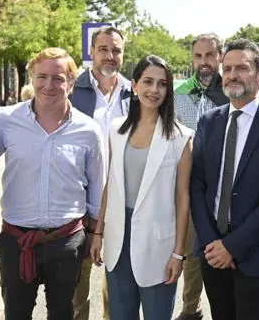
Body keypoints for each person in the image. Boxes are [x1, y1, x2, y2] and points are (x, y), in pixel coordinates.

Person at [0, 47, 105, 320]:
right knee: (16, 314)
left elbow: (97, 187)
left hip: (67, 240)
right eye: (42, 76)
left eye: (58, 78)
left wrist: (96, 234)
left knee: (62, 313)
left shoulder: (88, 130)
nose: (49, 85)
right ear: (31, 78)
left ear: (70, 82)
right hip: (16, 240)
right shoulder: (8, 121)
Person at [191, 39, 259, 320]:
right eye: (227, 69)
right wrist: (210, 243)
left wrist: (233, 246)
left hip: (256, 254)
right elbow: (197, 185)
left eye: (241, 68)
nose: (232, 75)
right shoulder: (208, 121)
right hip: (212, 252)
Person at [90, 55, 192, 320]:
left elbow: (183, 198)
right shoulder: (116, 130)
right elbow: (110, 185)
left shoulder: (181, 137)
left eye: (162, 84)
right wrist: (98, 232)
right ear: (134, 85)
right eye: (147, 81)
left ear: (169, 91)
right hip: (117, 239)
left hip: (158, 245)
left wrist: (179, 253)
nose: (154, 90)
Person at [70, 25, 130, 320]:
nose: (109, 56)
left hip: (123, 200)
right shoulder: (71, 90)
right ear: (91, 52)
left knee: (117, 288)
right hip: (82, 204)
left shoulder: (135, 93)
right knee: (77, 288)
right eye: (103, 49)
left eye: (116, 50)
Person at [173, 32, 229, 320]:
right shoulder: (179, 94)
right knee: (192, 250)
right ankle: (190, 308)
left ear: (219, 56)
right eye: (198, 56)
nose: (204, 62)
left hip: (227, 186)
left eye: (209, 55)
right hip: (191, 186)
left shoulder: (233, 91)